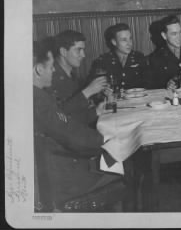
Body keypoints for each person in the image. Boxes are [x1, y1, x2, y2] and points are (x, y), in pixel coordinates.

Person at [33, 38, 128, 212]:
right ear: (39, 69)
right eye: (50, 66)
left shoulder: (36, 95)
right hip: (61, 177)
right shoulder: (39, 101)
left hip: (55, 165)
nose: (53, 70)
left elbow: (65, 124)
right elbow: (71, 135)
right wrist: (106, 140)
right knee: (125, 169)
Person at [48, 30, 109, 124]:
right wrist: (89, 91)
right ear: (63, 52)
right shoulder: (50, 77)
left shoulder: (72, 75)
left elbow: (78, 112)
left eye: (83, 50)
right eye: (78, 50)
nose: (83, 55)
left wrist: (99, 98)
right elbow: (58, 117)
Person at [88, 23, 148, 91]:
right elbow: (95, 88)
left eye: (130, 38)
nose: (129, 43)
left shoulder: (139, 57)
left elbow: (148, 83)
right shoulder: (103, 61)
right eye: (124, 40)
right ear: (114, 42)